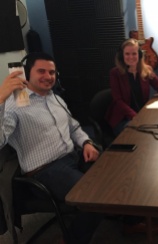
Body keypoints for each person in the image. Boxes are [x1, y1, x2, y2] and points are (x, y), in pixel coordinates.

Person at [0, 52, 102, 243]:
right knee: (93, 198)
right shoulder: (14, 105)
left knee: (113, 172)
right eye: (41, 71)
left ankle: (130, 220)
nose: (48, 76)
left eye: (52, 72)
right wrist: (0, 99)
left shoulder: (55, 99)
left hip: (73, 156)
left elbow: (73, 127)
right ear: (26, 73)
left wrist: (86, 143)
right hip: (46, 171)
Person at [105, 38, 158, 136]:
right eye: (127, 54)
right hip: (123, 118)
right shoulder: (115, 73)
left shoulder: (146, 70)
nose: (131, 57)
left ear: (139, 55)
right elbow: (117, 101)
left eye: (134, 53)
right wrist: (135, 116)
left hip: (142, 115)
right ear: (121, 56)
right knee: (140, 135)